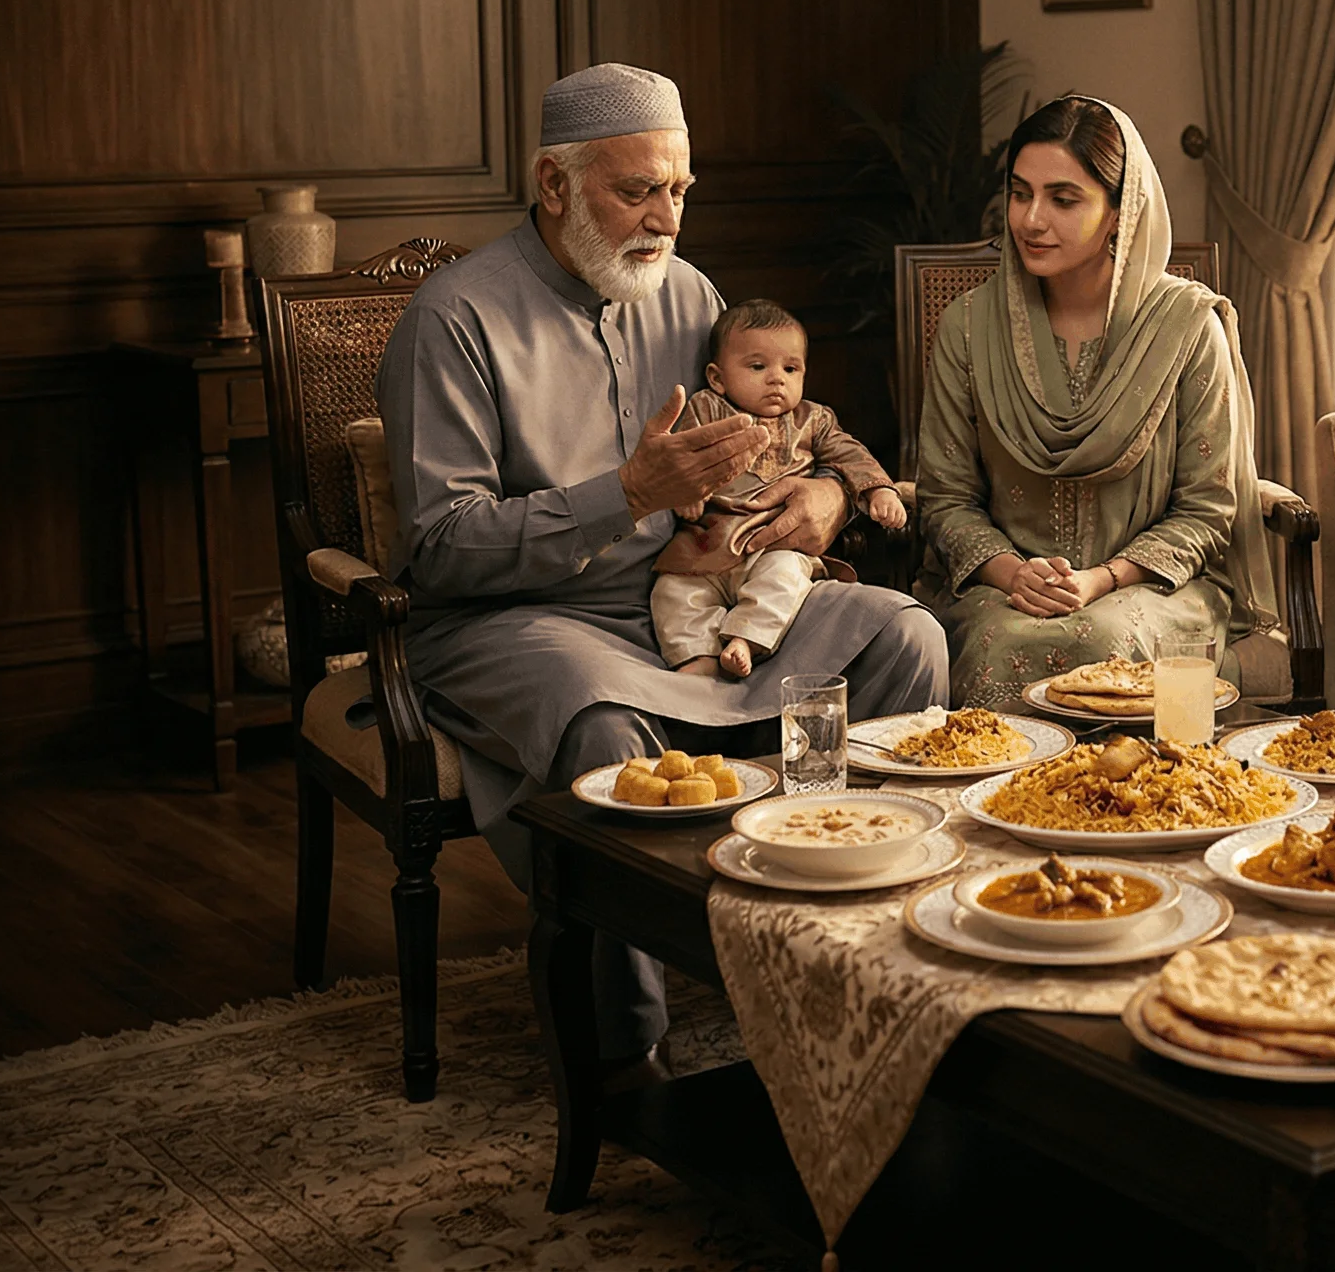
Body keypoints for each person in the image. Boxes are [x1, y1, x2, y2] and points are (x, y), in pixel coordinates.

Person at [376, 63, 946, 1070]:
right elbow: (442, 547)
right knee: (605, 726)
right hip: (520, 621)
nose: (667, 219)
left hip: (702, 595)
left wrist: (827, 492)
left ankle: (850, 968)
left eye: (679, 190)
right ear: (553, 184)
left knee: (904, 633)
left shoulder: (691, 297)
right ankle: (624, 1060)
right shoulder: (455, 316)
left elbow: (780, 445)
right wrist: (627, 493)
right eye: (636, 190)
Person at [912, 94, 1274, 710]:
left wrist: (1104, 578)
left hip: (1153, 587)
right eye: (1020, 193)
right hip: (1003, 587)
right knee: (1003, 641)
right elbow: (946, 497)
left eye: (1063, 199)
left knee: (1107, 639)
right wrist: (1013, 572)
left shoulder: (1187, 327)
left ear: (1119, 213)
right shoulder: (969, 327)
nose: (1031, 220)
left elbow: (1207, 508)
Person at [651, 298, 906, 678]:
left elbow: (849, 453)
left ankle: (745, 639)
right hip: (706, 541)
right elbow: (685, 454)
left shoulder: (814, 420)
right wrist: (688, 492)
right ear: (717, 378)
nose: (777, 379)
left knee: (784, 579)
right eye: (758, 367)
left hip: (776, 545)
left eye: (790, 368)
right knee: (672, 591)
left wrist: (879, 491)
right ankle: (696, 657)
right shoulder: (706, 408)